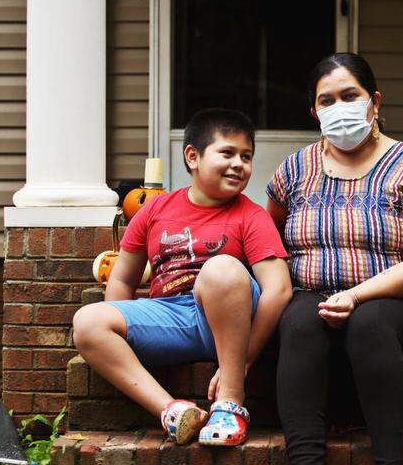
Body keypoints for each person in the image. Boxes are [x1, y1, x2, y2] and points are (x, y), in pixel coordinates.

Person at [266, 53, 403, 465]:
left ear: (374, 102)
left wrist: (356, 295)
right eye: (327, 100)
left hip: (402, 309)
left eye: (350, 95)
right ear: (314, 112)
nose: (339, 107)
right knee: (298, 320)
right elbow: (269, 244)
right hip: (314, 298)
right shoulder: (293, 170)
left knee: (370, 321)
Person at [72, 109, 291, 447]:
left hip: (227, 320)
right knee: (87, 321)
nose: (239, 164)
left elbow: (278, 289)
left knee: (221, 268)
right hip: (170, 318)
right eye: (227, 153)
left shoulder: (251, 216)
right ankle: (172, 412)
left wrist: (246, 358)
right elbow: (123, 277)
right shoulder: (154, 210)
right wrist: (121, 325)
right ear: (193, 156)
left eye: (246, 156)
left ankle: (230, 402)